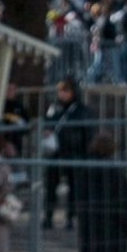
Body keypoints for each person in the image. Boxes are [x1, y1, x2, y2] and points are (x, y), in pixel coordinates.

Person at [41, 77, 93, 228]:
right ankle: (48, 216)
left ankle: (70, 217)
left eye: (66, 90)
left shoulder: (81, 110)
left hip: (75, 153)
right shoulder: (54, 109)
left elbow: (87, 132)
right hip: (56, 154)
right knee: (51, 186)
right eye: (60, 91)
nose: (62, 94)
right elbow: (47, 123)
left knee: (74, 187)